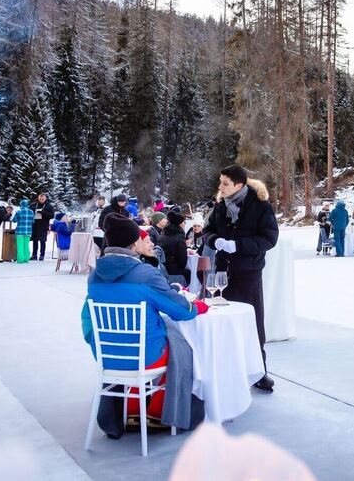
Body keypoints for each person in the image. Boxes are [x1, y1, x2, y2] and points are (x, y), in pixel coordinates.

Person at [82, 216, 208, 433]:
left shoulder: (94, 277)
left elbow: (87, 318)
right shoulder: (144, 274)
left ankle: (127, 410)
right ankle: (161, 413)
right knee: (181, 347)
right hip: (145, 356)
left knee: (159, 342)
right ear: (133, 243)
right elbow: (180, 312)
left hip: (106, 356)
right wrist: (197, 307)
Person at [201, 165, 279, 393]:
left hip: (249, 272)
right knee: (223, 321)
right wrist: (215, 241)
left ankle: (259, 371)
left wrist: (239, 246)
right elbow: (206, 231)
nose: (220, 187)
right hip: (222, 271)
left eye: (225, 183)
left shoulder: (260, 206)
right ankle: (226, 370)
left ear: (239, 185)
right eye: (220, 182)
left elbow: (269, 238)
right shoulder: (220, 206)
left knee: (253, 322)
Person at [157, 211, 190, 286]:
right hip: (172, 269)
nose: (185, 224)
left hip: (163, 267)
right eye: (183, 222)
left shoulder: (163, 234)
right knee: (190, 273)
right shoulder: (179, 237)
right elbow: (182, 260)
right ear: (180, 224)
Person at [30, 193, 55, 261]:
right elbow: (29, 212)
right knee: (34, 240)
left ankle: (42, 255)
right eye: (40, 199)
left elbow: (52, 216)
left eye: (43, 199)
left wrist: (43, 213)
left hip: (43, 225)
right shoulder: (33, 205)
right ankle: (34, 255)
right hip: (34, 225)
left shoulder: (49, 206)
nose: (41, 200)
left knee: (42, 241)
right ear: (38, 198)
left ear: (45, 199)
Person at [11, 199, 34, 263]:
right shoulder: (31, 212)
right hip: (28, 231)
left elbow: (14, 220)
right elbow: (33, 221)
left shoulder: (19, 212)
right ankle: (26, 259)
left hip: (20, 231)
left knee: (20, 246)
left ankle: (20, 260)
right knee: (26, 245)